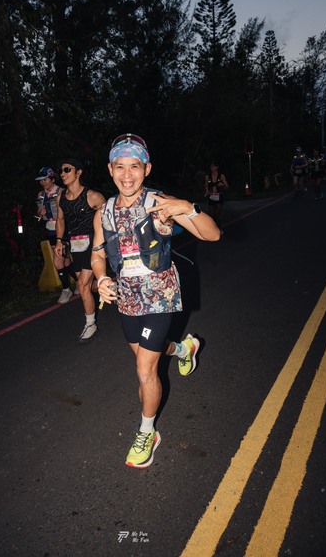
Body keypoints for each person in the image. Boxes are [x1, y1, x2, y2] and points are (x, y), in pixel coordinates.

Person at [91, 134, 220, 469]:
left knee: (144, 369)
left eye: (135, 166)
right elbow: (98, 255)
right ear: (110, 169)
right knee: (149, 354)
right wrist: (102, 279)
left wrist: (189, 208)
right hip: (127, 299)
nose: (127, 174)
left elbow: (212, 234)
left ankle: (147, 433)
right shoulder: (104, 212)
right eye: (120, 166)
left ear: (146, 168)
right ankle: (184, 349)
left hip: (160, 296)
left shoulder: (161, 203)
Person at [55, 157, 105, 343]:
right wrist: (59, 241)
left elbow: (109, 220)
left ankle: (90, 324)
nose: (62, 174)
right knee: (86, 286)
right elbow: (60, 220)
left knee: (83, 285)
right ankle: (112, 287)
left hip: (94, 245)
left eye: (67, 170)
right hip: (76, 246)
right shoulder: (61, 198)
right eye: (61, 170)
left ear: (78, 172)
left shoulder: (93, 196)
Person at [35, 166, 77, 303]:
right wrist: (39, 213)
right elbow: (39, 214)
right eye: (41, 180)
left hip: (63, 229)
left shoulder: (62, 192)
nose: (43, 183)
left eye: (45, 179)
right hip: (50, 230)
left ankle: (66, 289)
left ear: (53, 179)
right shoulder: (40, 195)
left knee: (58, 261)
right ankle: (80, 282)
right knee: (65, 260)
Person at [204, 161, 228, 231]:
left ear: (217, 167)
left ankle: (219, 229)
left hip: (219, 196)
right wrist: (207, 191)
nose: (211, 168)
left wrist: (222, 185)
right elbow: (206, 185)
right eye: (211, 166)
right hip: (211, 196)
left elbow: (227, 187)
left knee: (216, 215)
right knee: (211, 216)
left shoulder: (221, 176)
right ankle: (213, 229)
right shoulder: (208, 176)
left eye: (213, 166)